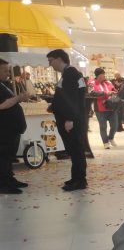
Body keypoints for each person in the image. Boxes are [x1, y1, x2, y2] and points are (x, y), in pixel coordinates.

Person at [46, 49, 88, 191]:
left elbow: (74, 99)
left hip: (71, 120)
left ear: (59, 59)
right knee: (74, 150)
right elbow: (65, 96)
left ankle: (80, 180)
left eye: (51, 61)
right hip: (69, 118)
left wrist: (70, 119)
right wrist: (54, 105)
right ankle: (76, 178)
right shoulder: (69, 73)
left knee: (76, 150)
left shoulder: (70, 74)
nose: (50, 64)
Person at [0, 59, 31, 194]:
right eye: (5, 71)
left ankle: (9, 179)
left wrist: (19, 98)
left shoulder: (4, 84)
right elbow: (2, 105)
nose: (8, 73)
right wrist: (18, 98)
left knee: (9, 156)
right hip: (4, 129)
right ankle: (3, 184)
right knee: (3, 157)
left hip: (11, 129)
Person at [87, 68, 118, 149]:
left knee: (115, 125)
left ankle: (111, 138)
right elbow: (91, 93)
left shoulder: (108, 82)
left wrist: (114, 92)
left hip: (111, 107)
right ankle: (105, 142)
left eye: (104, 74)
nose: (104, 76)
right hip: (100, 109)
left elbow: (113, 89)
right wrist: (105, 93)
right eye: (102, 74)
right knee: (103, 126)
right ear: (98, 75)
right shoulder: (91, 83)